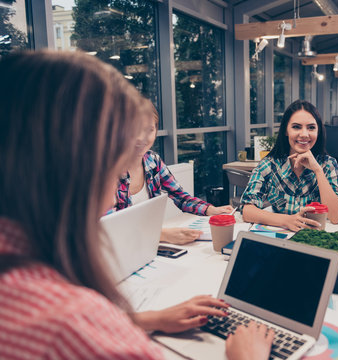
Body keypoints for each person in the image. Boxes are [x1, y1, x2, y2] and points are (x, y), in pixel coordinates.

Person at [0, 50, 272, 359]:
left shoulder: (28, 283)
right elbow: (77, 328)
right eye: (116, 148)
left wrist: (148, 319)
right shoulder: (68, 319)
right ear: (74, 160)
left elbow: (180, 197)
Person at [115, 105, 234, 244]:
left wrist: (211, 210)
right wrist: (162, 235)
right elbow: (107, 228)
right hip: (119, 251)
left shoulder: (153, 161)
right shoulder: (107, 171)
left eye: (149, 130)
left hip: (148, 246)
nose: (142, 137)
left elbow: (181, 197)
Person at [240, 99, 338, 231]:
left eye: (311, 127)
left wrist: (318, 170)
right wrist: (287, 220)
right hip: (282, 239)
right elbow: (247, 211)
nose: (304, 134)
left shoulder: (328, 164)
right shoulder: (269, 165)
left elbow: (336, 217)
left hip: (319, 239)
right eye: (296, 127)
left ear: (319, 131)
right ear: (286, 130)